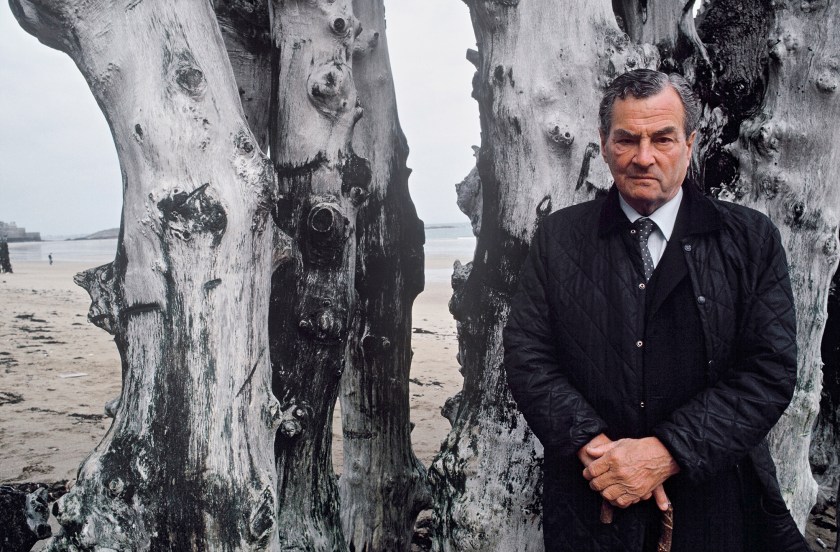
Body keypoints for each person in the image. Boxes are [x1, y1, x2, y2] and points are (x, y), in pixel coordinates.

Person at [504, 69, 809, 552]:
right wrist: (603, 456)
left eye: (663, 138)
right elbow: (528, 357)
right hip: (593, 503)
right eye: (627, 139)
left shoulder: (751, 239)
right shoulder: (558, 239)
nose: (644, 157)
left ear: (690, 143)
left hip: (716, 504)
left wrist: (667, 453)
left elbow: (769, 371)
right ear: (603, 144)